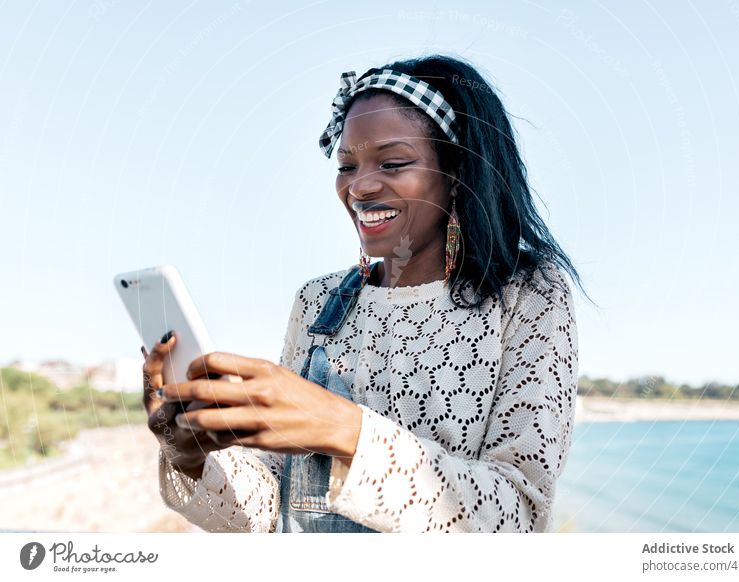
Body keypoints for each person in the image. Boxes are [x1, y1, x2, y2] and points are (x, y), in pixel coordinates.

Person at [142, 54, 587, 533]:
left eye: (392, 163)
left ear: (456, 171)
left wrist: (344, 429)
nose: (359, 186)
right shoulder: (316, 302)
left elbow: (517, 517)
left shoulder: (528, 295)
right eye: (346, 166)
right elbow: (273, 506)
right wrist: (192, 459)